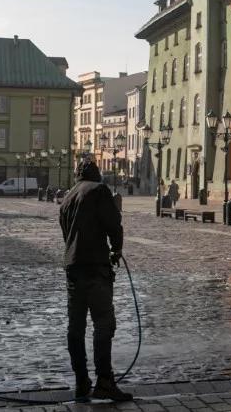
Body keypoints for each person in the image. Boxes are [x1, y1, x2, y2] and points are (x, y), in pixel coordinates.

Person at [59, 160, 132, 403]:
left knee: (75, 328)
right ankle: (104, 381)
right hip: (95, 268)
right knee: (104, 324)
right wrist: (116, 250)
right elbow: (114, 224)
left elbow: (65, 233)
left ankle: (81, 383)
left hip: (73, 268)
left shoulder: (68, 197)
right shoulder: (99, 190)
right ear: (96, 174)